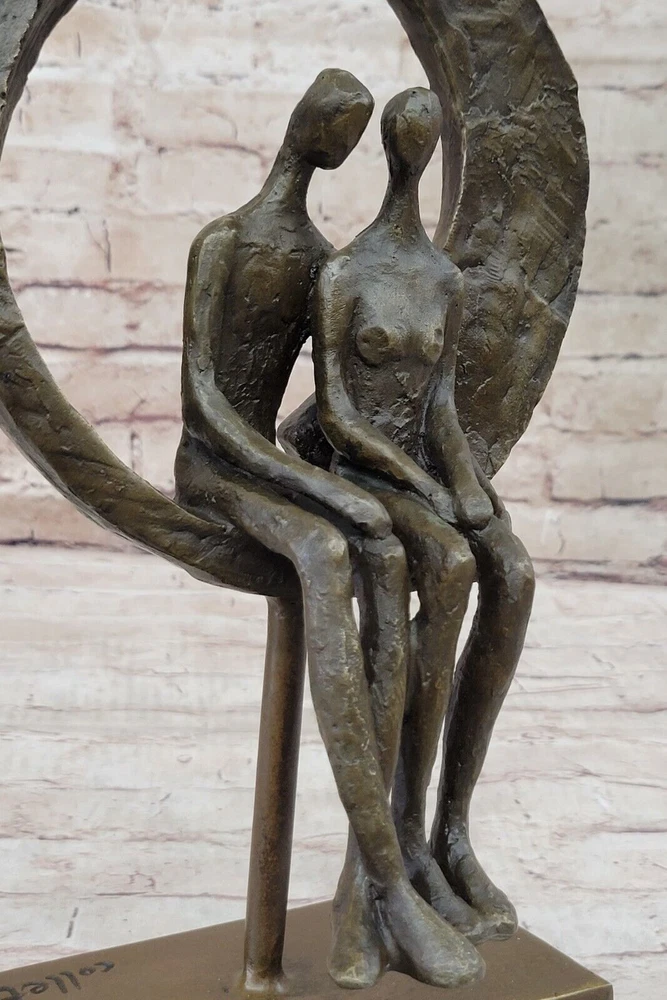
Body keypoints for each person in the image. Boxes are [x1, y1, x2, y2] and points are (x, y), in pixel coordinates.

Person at [174, 69, 483, 990]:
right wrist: (307, 482)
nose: (337, 141)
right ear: (302, 123)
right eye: (331, 124)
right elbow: (202, 404)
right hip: (213, 468)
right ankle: (388, 878)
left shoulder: (319, 258)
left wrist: (336, 475)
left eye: (349, 132)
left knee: (382, 550)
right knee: (326, 546)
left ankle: (382, 875)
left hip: (269, 466)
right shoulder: (225, 240)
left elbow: (327, 402)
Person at [284, 86, 535, 957]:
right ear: (393, 149)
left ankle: (448, 833)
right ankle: (396, 842)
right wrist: (424, 488)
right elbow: (337, 416)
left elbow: (441, 408)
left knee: (512, 570)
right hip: (363, 470)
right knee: (449, 563)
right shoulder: (345, 274)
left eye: (426, 140)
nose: (416, 151)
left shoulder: (441, 280)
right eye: (408, 138)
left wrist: (464, 484)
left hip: (424, 469)